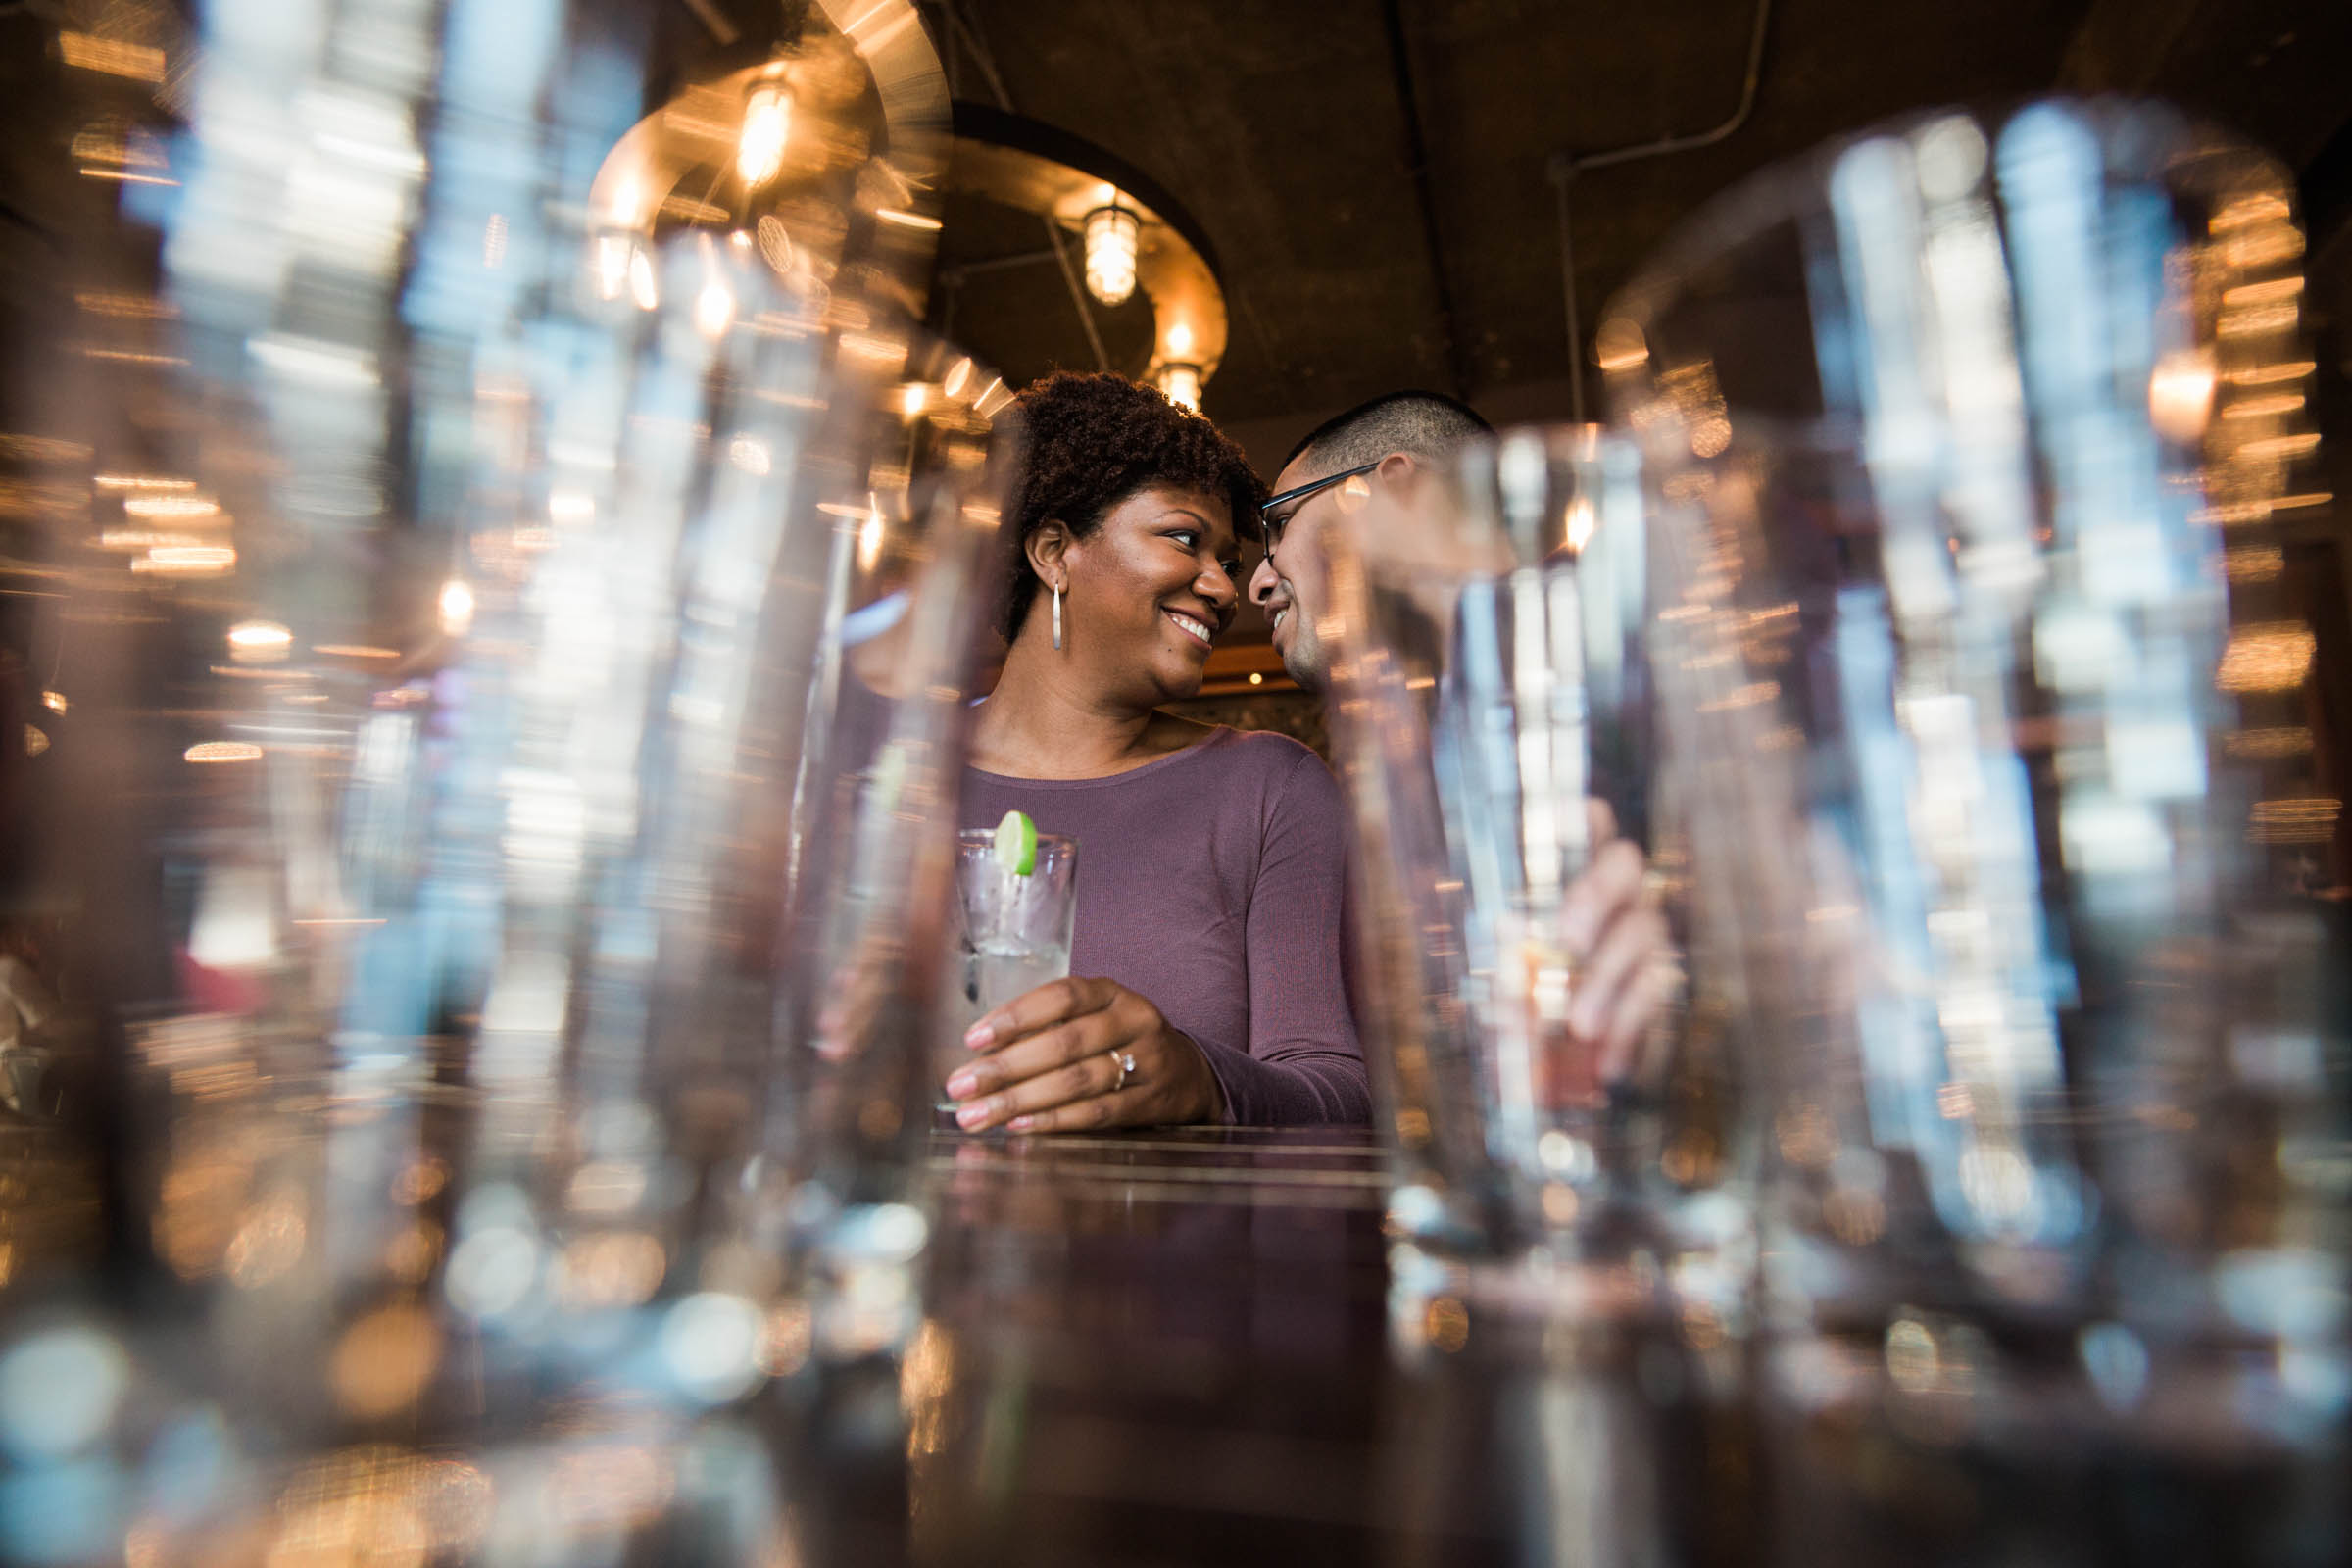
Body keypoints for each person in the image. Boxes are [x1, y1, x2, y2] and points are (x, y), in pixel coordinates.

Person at [949, 372, 1369, 1133]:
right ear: (1053, 551)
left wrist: (1199, 1077)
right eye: (1185, 539)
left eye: (1230, 563)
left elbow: (1338, 1096)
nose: (1224, 587)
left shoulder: (1273, 789)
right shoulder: (892, 770)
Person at [1248, 391, 1672, 1087]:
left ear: (1398, 488)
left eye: (1279, 524)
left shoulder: (1629, 659)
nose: (1260, 581)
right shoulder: (1409, 738)